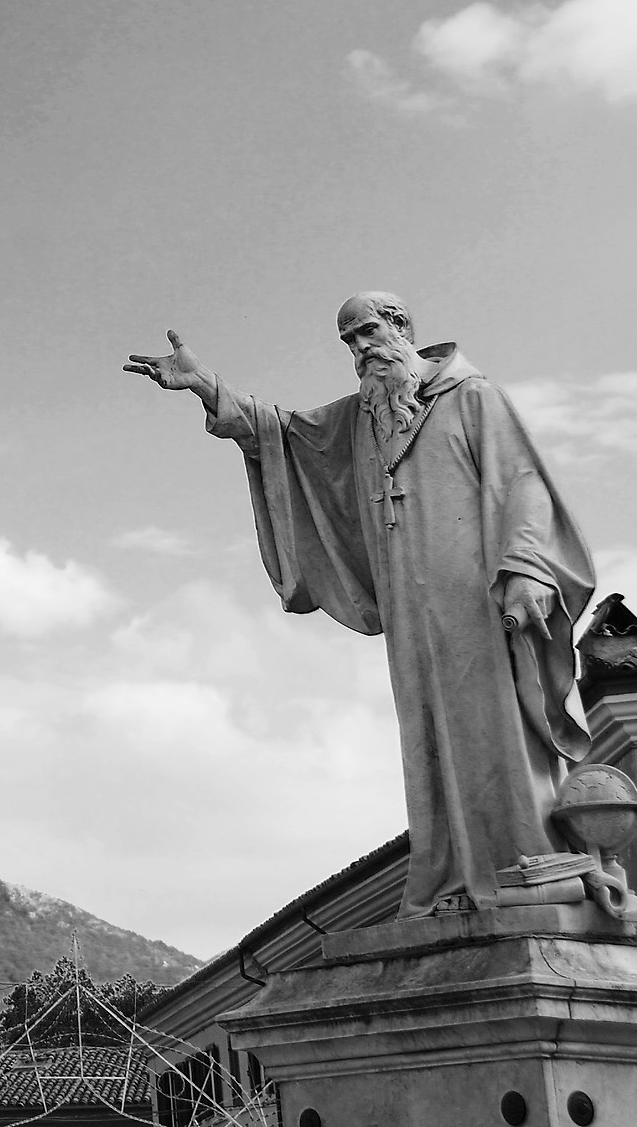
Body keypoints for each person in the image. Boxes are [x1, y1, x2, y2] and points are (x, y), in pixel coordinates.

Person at [126, 292, 594, 916]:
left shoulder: (472, 397)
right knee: (428, 733)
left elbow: (523, 481)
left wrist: (528, 567)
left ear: (401, 327)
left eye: (369, 332)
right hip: (408, 604)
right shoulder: (358, 420)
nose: (360, 348)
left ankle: (523, 858)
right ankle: (454, 873)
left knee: (493, 719)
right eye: (348, 341)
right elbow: (281, 434)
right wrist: (206, 385)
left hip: (477, 593)